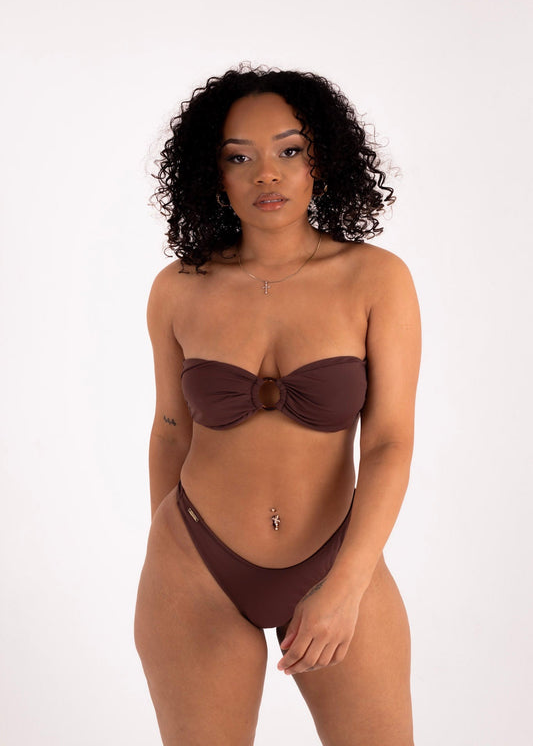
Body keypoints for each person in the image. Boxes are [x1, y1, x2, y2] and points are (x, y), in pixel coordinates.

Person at [134, 63, 421, 746]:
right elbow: (170, 432)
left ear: (322, 160)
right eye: (239, 158)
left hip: (336, 560)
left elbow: (389, 442)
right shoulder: (178, 288)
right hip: (194, 566)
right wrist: (170, 553)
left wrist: (345, 587)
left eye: (289, 151)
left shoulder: (374, 280)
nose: (267, 174)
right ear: (213, 174)